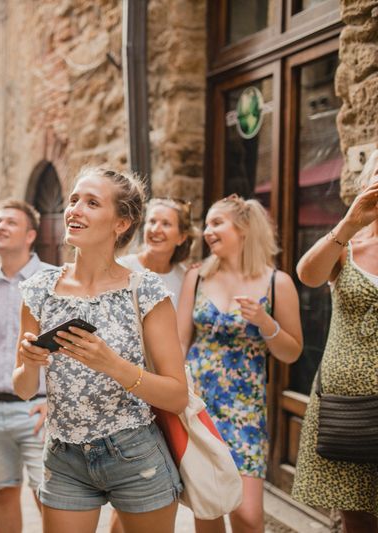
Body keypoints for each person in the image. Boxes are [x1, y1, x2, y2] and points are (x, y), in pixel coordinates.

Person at [15, 167, 187, 533]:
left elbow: (177, 395)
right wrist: (30, 364)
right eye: (74, 199)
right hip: (64, 457)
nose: (75, 209)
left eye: (92, 203)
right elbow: (24, 388)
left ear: (121, 223)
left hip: (135, 454)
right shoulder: (40, 288)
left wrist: (111, 364)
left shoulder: (146, 290)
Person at [177, 194, 303, 533]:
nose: (207, 231)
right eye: (207, 224)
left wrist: (266, 323)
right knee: (208, 509)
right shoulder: (197, 277)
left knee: (248, 517)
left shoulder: (278, 282)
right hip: (199, 408)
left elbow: (291, 351)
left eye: (217, 223)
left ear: (244, 228)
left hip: (245, 410)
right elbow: (179, 343)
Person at [291, 151, 378, 532]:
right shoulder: (347, 245)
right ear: (364, 182)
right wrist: (349, 223)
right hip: (348, 410)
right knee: (356, 515)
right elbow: (307, 275)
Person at [0, 199, 55, 533]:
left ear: (30, 235)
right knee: (4, 492)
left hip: (36, 410)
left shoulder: (53, 281)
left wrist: (53, 401)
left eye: (10, 223)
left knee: (49, 498)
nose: (0, 226)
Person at [117, 197, 199, 309]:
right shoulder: (123, 267)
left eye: (166, 224)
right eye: (152, 221)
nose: (155, 230)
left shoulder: (184, 279)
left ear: (181, 237)